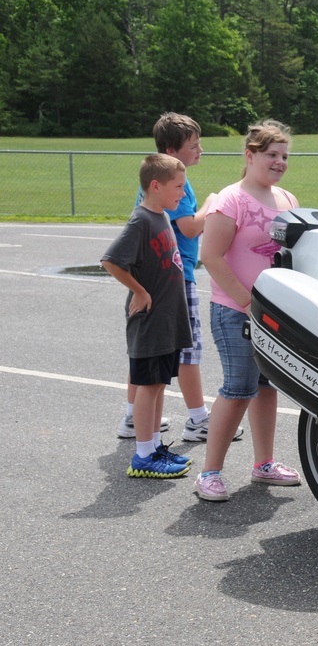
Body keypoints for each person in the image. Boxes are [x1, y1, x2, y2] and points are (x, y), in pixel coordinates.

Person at [116, 113, 243, 443]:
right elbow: (190, 226)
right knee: (188, 349)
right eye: (194, 145)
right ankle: (198, 418)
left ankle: (134, 416)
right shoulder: (176, 183)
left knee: (144, 352)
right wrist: (213, 204)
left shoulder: (159, 183)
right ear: (172, 152)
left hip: (155, 277)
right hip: (174, 276)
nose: (200, 150)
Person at [193, 120, 302, 501]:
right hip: (235, 311)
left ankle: (264, 465)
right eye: (271, 154)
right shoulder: (231, 199)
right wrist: (245, 300)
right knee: (238, 388)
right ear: (250, 155)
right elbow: (211, 255)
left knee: (265, 386)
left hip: (273, 314)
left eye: (284, 156)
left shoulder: (288, 200)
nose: (279, 162)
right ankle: (209, 473)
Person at [101, 154, 193, 479]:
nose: (183, 193)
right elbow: (111, 261)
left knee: (157, 386)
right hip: (151, 322)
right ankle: (142, 456)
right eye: (178, 186)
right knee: (148, 386)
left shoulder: (162, 216)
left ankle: (154, 448)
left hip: (167, 321)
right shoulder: (142, 219)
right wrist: (140, 291)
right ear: (156, 186)